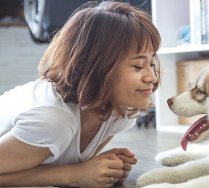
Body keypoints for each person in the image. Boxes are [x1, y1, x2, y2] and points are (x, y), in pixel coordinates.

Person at [0, 1, 161, 187]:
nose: (152, 76)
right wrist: (73, 174)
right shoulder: (53, 120)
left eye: (151, 63)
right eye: (137, 66)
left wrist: (99, 166)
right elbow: (69, 171)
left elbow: (63, 160)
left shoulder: (119, 111)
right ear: (96, 68)